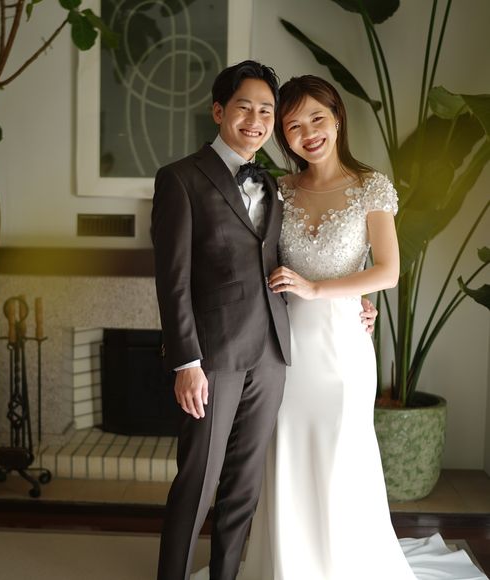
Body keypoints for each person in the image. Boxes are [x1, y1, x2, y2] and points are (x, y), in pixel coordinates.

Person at [236, 75, 488, 580]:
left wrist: (324, 291)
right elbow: (256, 264)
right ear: (283, 136)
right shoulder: (279, 191)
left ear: (337, 118)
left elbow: (388, 271)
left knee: (341, 451)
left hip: (342, 346)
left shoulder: (370, 186)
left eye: (317, 118)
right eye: (293, 125)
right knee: (287, 448)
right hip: (286, 345)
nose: (308, 133)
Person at [152, 61, 377, 580]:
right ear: (219, 111)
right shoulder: (179, 179)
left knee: (245, 488)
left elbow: (299, 258)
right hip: (213, 357)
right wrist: (186, 362)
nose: (255, 120)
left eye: (266, 111)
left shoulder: (278, 186)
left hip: (275, 354)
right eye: (244, 108)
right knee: (197, 482)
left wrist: (359, 299)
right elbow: (172, 279)